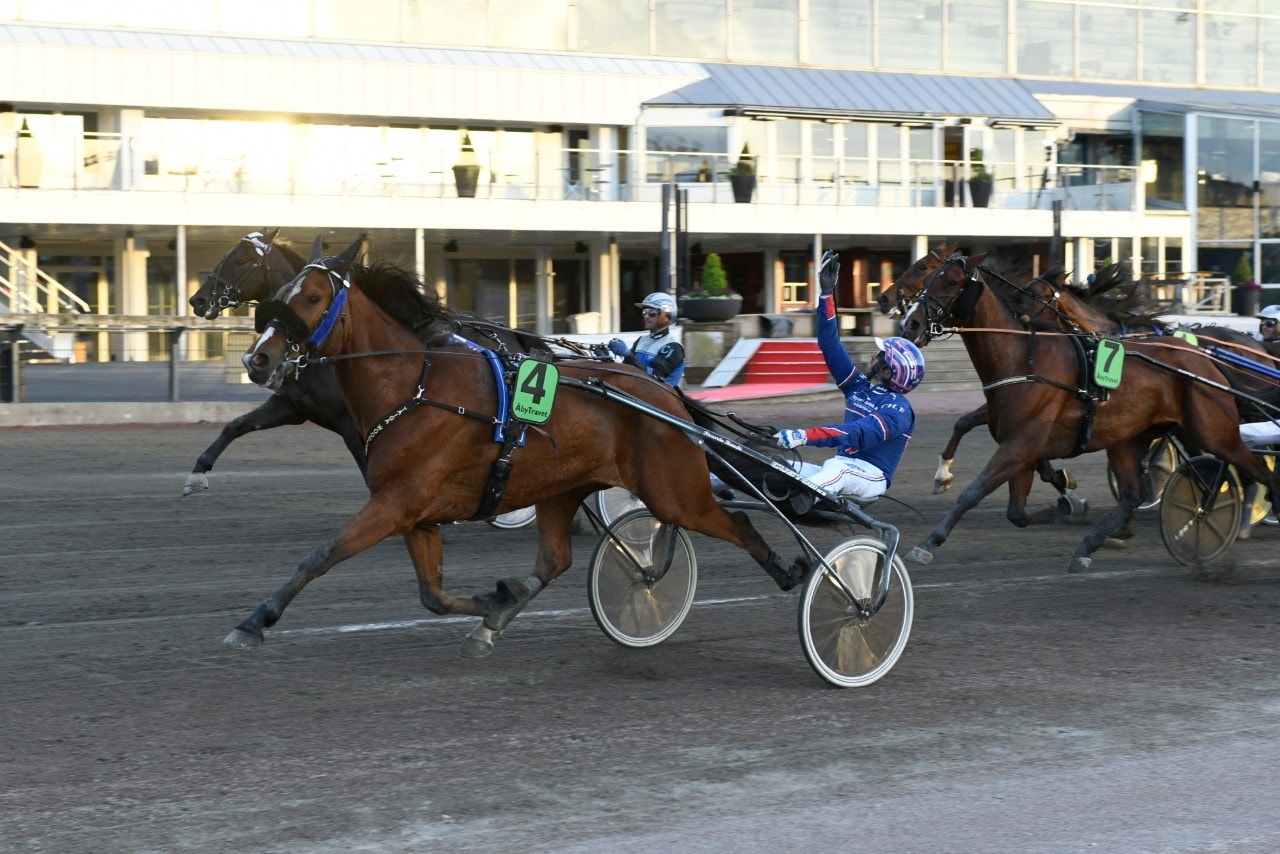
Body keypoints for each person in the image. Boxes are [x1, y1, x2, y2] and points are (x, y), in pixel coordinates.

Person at [771, 249, 924, 503]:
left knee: (837, 469)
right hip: (838, 467)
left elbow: (857, 433)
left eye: (880, 355)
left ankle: (806, 498)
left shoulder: (899, 410)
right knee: (777, 464)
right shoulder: (859, 387)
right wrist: (826, 294)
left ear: (888, 371)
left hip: (871, 477)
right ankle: (715, 483)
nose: (873, 357)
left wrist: (803, 435)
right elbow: (830, 346)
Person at [607, 292, 686, 387]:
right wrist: (607, 359)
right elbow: (627, 369)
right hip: (638, 393)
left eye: (652, 312)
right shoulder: (641, 340)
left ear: (667, 316)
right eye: (644, 312)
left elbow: (655, 377)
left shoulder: (673, 346)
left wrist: (627, 354)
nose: (646, 316)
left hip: (659, 398)